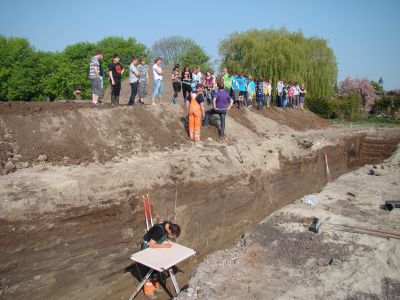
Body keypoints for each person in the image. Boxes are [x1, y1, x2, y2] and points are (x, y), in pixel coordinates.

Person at [140, 221, 181, 297]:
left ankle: (154, 286)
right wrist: (165, 246)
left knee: (156, 268)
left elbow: (162, 232)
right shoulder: (159, 231)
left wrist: (167, 239)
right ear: (169, 230)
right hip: (147, 247)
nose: (171, 236)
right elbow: (152, 245)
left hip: (154, 246)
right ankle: (149, 291)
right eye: (171, 234)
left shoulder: (168, 223)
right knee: (149, 270)